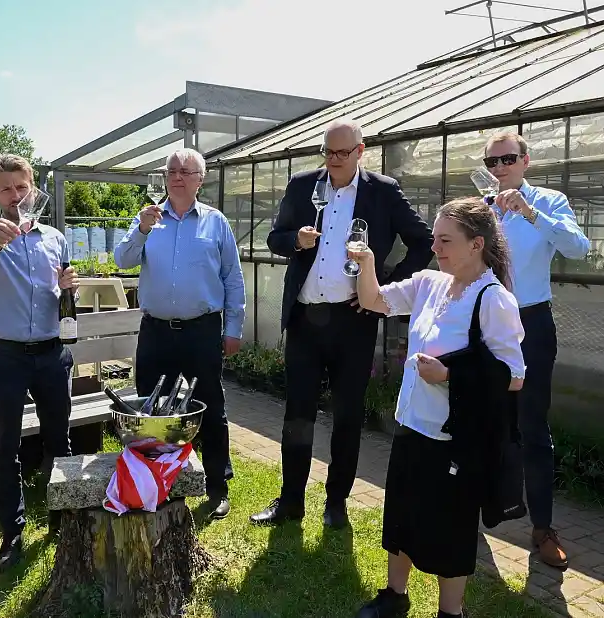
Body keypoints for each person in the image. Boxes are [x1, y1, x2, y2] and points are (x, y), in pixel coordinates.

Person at [250, 118, 433, 529]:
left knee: (348, 416)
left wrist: (381, 286)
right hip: (304, 319)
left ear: (360, 151)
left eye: (342, 153)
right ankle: (291, 501)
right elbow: (274, 238)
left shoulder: (381, 192)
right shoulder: (303, 185)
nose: (333, 160)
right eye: (327, 152)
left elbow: (422, 240)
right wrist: (295, 240)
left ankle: (336, 503)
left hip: (353, 321)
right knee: (297, 414)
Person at [350, 197, 525, 618]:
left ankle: (451, 612)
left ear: (476, 244)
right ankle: (395, 596)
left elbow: (514, 377)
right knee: (402, 516)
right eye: (434, 238)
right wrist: (367, 261)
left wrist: (449, 376)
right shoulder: (430, 282)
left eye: (446, 240)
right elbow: (374, 300)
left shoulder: (493, 300)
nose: (436, 247)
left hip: (454, 438)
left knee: (449, 529)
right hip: (412, 423)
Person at [114, 148, 245, 519]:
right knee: (152, 408)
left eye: (186, 171)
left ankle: (217, 486)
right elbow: (121, 260)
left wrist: (233, 328)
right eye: (171, 170)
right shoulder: (148, 220)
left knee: (210, 406)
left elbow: (232, 279)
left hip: (201, 330)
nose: (177, 176)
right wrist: (140, 229)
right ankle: (157, 480)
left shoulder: (215, 223)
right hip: (156, 331)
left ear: (200, 180)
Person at [0, 153, 78, 572]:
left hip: (51, 354)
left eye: (22, 186)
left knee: (59, 441)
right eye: (6, 189)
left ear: (32, 188)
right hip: (4, 356)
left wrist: (67, 286)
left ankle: (62, 519)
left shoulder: (54, 237)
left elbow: (60, 292)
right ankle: (11, 534)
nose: (16, 195)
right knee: (5, 446)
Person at [484, 131, 590, 569]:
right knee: (480, 420)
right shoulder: (482, 209)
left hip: (531, 323)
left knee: (532, 426)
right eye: (491, 162)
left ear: (526, 161)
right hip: (486, 322)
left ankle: (543, 528)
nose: (499, 168)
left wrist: (529, 213)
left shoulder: (548, 202)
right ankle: (475, 513)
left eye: (507, 159)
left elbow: (579, 249)